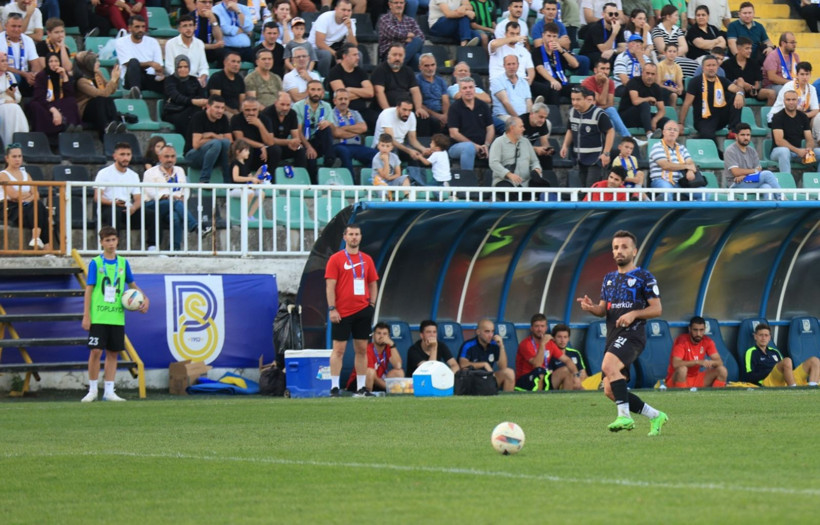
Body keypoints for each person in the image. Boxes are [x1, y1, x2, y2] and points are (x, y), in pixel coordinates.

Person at [577, 230, 668, 435]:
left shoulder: (644, 277)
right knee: (610, 390)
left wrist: (634, 314)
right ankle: (656, 416)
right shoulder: (609, 279)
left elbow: (657, 309)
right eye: (616, 247)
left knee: (608, 366)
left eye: (624, 247)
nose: (619, 251)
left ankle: (624, 417)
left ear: (634, 251)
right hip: (613, 336)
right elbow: (603, 310)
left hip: (633, 334)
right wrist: (591, 308)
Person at [81, 226, 149, 403]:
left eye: (113, 240)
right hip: (99, 315)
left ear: (118, 240)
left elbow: (132, 285)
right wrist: (86, 315)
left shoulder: (123, 263)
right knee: (95, 351)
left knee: (113, 352)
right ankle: (93, 389)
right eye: (107, 240)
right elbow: (89, 290)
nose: (111, 243)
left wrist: (144, 299)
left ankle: (109, 391)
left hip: (117, 316)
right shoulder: (96, 263)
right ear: (101, 242)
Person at [325, 223, 380, 397]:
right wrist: (332, 308)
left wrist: (371, 304)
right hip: (342, 312)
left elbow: (373, 283)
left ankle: (362, 387)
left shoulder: (367, 259)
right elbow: (330, 286)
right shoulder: (336, 259)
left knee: (362, 349)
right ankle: (334, 386)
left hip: (363, 309)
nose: (354, 237)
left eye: (357, 234)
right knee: (339, 349)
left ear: (361, 237)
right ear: (345, 237)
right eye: (351, 234)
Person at [142, 144, 210, 251]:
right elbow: (150, 192)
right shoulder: (150, 172)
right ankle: (195, 226)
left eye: (173, 156)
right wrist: (167, 196)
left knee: (175, 218)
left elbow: (185, 188)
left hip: (174, 205)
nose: (170, 159)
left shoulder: (179, 170)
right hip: (153, 205)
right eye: (167, 156)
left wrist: (183, 197)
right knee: (175, 203)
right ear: (160, 158)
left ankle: (174, 250)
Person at [94, 142, 156, 248]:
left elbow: (138, 198)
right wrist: (113, 202)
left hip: (126, 208)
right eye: (122, 154)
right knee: (114, 212)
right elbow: (97, 197)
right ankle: (113, 247)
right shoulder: (104, 173)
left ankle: (152, 247)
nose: (125, 158)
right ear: (115, 156)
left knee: (152, 215)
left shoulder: (133, 175)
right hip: (109, 206)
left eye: (128, 154)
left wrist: (133, 208)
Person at [679, 54, 743, 142]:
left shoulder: (722, 80)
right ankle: (718, 154)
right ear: (703, 68)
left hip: (720, 118)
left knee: (735, 96)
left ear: (717, 67)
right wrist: (681, 123)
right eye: (708, 65)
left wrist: (739, 94)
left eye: (713, 65)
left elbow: (736, 88)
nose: (711, 68)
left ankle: (733, 130)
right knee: (708, 137)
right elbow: (687, 103)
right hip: (703, 119)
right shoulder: (695, 82)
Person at [560, 86, 614, 188]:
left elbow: (610, 131)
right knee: (584, 188)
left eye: (578, 99)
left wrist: (606, 153)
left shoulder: (598, 114)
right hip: (580, 158)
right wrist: (565, 146)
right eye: (573, 99)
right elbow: (570, 129)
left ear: (586, 99)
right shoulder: (572, 112)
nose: (575, 102)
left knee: (591, 189)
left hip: (595, 158)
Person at [0, 143, 51, 250]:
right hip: (9, 207)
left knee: (39, 206)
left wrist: (25, 198)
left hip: (27, 206)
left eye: (19, 156)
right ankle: (46, 247)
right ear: (7, 158)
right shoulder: (3, 175)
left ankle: (36, 238)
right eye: (14, 156)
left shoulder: (26, 174)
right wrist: (28, 196)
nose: (17, 159)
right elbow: (14, 195)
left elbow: (36, 194)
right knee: (39, 209)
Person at [515, 313, 580, 391]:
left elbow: (567, 360)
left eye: (542, 326)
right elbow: (537, 365)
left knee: (566, 370)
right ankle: (538, 400)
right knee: (539, 371)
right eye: (536, 326)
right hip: (525, 379)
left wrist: (576, 376)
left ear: (546, 328)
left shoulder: (550, 344)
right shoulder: (525, 344)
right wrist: (542, 344)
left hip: (544, 376)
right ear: (531, 328)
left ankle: (565, 401)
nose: (540, 329)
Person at [741, 323, 820, 387]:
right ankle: (793, 389)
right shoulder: (751, 352)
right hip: (769, 381)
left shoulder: (775, 352)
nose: (763, 338)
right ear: (755, 337)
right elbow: (749, 376)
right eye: (761, 335)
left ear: (769, 338)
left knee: (814, 360)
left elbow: (787, 368)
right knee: (787, 361)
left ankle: (812, 388)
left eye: (766, 335)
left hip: (786, 379)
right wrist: (770, 370)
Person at [490, 117, 551, 197]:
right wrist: (509, 174)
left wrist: (537, 169)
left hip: (526, 182)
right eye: (521, 126)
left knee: (544, 185)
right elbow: (493, 163)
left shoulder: (526, 142)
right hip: (506, 181)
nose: (524, 129)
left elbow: (535, 161)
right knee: (507, 191)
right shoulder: (498, 142)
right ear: (512, 128)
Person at [581, 58, 636, 143]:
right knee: (610, 112)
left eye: (607, 69)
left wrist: (601, 105)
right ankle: (630, 139)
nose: (605, 72)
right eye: (602, 69)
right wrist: (606, 83)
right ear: (595, 70)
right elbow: (603, 102)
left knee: (611, 120)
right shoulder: (587, 82)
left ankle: (618, 145)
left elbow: (610, 103)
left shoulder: (610, 82)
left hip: (601, 112)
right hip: (589, 113)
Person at [29, 52, 82, 140]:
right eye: (51, 61)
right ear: (47, 63)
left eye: (56, 61)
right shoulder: (41, 76)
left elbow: (70, 94)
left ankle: (72, 126)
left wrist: (65, 76)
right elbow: (39, 97)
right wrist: (53, 110)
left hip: (58, 102)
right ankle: (61, 128)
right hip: (44, 103)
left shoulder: (62, 74)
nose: (54, 64)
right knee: (36, 105)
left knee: (71, 101)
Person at [665, 316, 727, 389]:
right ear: (690, 329)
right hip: (677, 379)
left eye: (701, 330)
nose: (698, 333)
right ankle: (682, 397)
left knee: (722, 370)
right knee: (682, 370)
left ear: (704, 330)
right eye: (695, 330)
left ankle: (715, 397)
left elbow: (719, 362)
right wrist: (697, 362)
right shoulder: (682, 341)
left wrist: (710, 363)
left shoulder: (707, 341)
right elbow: (676, 363)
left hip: (696, 378)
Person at [448, 76, 494, 172]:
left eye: (470, 87)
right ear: (460, 91)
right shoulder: (454, 108)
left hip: (482, 145)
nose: (468, 90)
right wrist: (474, 146)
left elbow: (490, 128)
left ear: (475, 89)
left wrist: (486, 145)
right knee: (468, 147)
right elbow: (453, 133)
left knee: (500, 146)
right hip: (458, 147)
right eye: (465, 88)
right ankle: (467, 182)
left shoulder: (483, 106)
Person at [769, 90, 820, 176]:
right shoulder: (777, 117)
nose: (791, 102)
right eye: (788, 100)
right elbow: (779, 141)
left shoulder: (803, 116)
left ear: (798, 101)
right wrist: (797, 151)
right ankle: (786, 185)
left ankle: (818, 185)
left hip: (799, 152)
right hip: (778, 152)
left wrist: (809, 149)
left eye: (793, 100)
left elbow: (809, 138)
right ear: (784, 101)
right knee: (784, 151)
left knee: (818, 152)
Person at [326, 43, 376, 131]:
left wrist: (350, 89)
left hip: (362, 110)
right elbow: (341, 96)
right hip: (344, 111)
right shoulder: (335, 72)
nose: (358, 57)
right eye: (354, 55)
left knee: (378, 119)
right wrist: (361, 93)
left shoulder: (360, 72)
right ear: (345, 56)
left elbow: (370, 93)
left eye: (357, 55)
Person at [344, 322, 405, 392]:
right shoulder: (368, 349)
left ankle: (392, 395)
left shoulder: (388, 347)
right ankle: (366, 396)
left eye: (385, 334)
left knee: (399, 372)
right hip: (358, 383)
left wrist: (392, 344)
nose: (381, 336)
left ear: (388, 337)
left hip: (377, 381)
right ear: (373, 336)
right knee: (370, 372)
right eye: (379, 333)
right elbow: (371, 374)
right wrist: (389, 387)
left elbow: (398, 366)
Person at [185, 95, 232, 183]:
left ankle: (228, 181)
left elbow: (230, 142)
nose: (220, 111)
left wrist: (212, 135)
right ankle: (204, 180)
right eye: (217, 107)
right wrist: (217, 138)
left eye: (222, 108)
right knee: (216, 144)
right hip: (192, 156)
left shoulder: (223, 119)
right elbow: (196, 144)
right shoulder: (198, 117)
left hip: (215, 156)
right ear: (208, 106)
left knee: (225, 143)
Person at [295, 80, 336, 182]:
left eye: (318, 90)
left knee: (326, 128)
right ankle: (313, 184)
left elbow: (334, 131)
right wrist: (308, 147)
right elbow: (298, 132)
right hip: (303, 141)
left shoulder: (326, 106)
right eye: (313, 89)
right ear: (307, 91)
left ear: (322, 92)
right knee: (311, 158)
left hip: (319, 141)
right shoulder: (298, 106)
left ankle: (329, 160)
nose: (316, 93)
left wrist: (329, 124)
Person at [330, 88, 377, 178]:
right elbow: (336, 133)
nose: (343, 101)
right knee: (344, 152)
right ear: (334, 101)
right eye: (340, 99)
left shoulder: (355, 113)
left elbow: (363, 128)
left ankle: (368, 180)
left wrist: (343, 128)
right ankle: (351, 183)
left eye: (346, 99)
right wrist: (355, 131)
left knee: (375, 155)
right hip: (338, 145)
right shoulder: (331, 114)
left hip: (356, 146)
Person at [458, 319, 515, 392]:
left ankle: (506, 402)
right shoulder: (468, 345)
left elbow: (503, 367)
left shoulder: (494, 344)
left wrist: (501, 346)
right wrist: (484, 364)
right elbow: (463, 364)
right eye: (487, 331)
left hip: (488, 378)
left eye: (492, 331)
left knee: (509, 373)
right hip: (473, 380)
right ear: (478, 332)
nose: (491, 335)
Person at [116, 15, 164, 99]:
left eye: (143, 27)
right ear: (130, 28)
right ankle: (136, 92)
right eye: (137, 27)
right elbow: (128, 64)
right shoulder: (121, 42)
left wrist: (159, 71)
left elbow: (158, 65)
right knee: (133, 62)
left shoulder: (153, 42)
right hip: (130, 79)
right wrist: (150, 63)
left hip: (149, 78)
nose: (141, 30)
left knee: (170, 84)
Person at [371, 44, 425, 117]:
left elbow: (415, 91)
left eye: (400, 55)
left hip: (406, 110)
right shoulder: (380, 70)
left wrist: (418, 108)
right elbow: (379, 92)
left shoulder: (408, 71)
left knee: (427, 120)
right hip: (384, 110)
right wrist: (388, 111)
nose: (397, 58)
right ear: (388, 55)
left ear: (404, 57)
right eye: (394, 55)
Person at [618, 62, 667, 144]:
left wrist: (654, 120)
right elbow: (635, 101)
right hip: (626, 116)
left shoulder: (656, 88)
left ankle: (664, 145)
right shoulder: (634, 81)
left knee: (666, 121)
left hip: (643, 118)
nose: (650, 76)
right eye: (647, 73)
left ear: (656, 75)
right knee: (644, 104)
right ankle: (649, 134)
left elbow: (662, 110)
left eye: (652, 74)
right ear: (642, 72)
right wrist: (649, 98)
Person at [373, 98, 429, 167]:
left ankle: (415, 178)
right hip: (384, 145)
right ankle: (394, 177)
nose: (407, 113)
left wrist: (423, 149)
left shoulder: (411, 116)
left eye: (409, 110)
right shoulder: (386, 114)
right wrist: (409, 151)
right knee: (393, 154)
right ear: (397, 108)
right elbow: (390, 140)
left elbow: (413, 140)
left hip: (401, 145)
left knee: (416, 156)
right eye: (404, 109)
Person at [308, 0, 358, 78]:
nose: (346, 13)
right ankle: (324, 81)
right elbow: (319, 43)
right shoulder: (325, 17)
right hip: (314, 48)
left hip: (334, 47)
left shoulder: (350, 23)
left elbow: (353, 46)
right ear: (336, 9)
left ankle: (355, 81)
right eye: (343, 10)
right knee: (326, 55)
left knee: (357, 55)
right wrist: (337, 55)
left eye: (349, 11)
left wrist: (349, 29)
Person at [648, 120, 698, 197]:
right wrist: (685, 166)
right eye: (669, 129)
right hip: (661, 180)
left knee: (704, 194)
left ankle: (691, 210)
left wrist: (690, 170)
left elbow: (690, 162)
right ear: (663, 132)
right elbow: (665, 165)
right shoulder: (657, 146)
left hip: (680, 181)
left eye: (675, 130)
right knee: (667, 192)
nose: (672, 131)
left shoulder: (682, 148)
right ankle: (662, 208)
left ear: (678, 134)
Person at [532, 22, 578, 105]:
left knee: (578, 89)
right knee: (554, 89)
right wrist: (552, 80)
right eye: (549, 36)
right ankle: (555, 116)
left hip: (561, 82)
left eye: (554, 36)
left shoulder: (560, 50)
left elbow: (575, 64)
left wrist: (562, 50)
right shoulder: (537, 51)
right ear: (543, 36)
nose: (551, 39)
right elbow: (540, 68)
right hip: (545, 82)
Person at [163, 55, 209, 136]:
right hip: (175, 111)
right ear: (176, 68)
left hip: (191, 110)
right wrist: (193, 101)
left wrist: (200, 102)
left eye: (186, 67)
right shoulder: (170, 80)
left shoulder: (194, 80)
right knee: (188, 116)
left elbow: (202, 96)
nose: (183, 69)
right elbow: (176, 97)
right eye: (180, 67)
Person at [263, 91, 308, 173]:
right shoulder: (267, 113)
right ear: (276, 103)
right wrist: (289, 142)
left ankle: (300, 178)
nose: (285, 108)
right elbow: (270, 141)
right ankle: (271, 179)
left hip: (284, 145)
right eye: (282, 104)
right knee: (275, 150)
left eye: (288, 105)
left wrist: (295, 143)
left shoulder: (292, 114)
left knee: (300, 150)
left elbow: (296, 136)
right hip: (267, 146)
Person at [0, 12, 43, 97]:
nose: (16, 29)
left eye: (19, 26)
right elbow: (2, 65)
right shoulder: (0, 39)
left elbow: (35, 63)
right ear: (6, 26)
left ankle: (34, 106)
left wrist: (34, 75)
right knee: (15, 77)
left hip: (25, 74)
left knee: (39, 78)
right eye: (13, 26)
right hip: (6, 73)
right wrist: (24, 74)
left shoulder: (28, 40)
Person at [724, 37, 776, 106]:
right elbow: (727, 83)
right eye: (747, 48)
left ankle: (767, 116)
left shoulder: (754, 63)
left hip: (752, 90)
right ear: (739, 49)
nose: (750, 51)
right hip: (736, 91)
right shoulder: (727, 64)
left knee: (771, 93)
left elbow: (758, 83)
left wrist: (752, 88)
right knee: (740, 81)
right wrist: (743, 85)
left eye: (750, 48)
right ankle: (741, 114)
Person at [164, 14, 209, 88]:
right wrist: (182, 77)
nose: (188, 29)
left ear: (195, 27)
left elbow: (203, 66)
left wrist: (203, 77)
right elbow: (169, 67)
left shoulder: (199, 43)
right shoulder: (171, 43)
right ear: (179, 29)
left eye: (191, 25)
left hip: (195, 79)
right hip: (177, 79)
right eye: (185, 26)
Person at [651, 5, 697, 77]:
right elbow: (662, 49)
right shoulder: (657, 30)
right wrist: (674, 52)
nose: (678, 18)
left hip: (676, 58)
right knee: (677, 62)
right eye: (676, 16)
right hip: (663, 60)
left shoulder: (677, 30)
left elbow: (685, 48)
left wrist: (671, 53)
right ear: (668, 17)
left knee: (695, 64)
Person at [231, 96, 275, 173]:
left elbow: (270, 142)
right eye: (247, 110)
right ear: (242, 109)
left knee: (275, 150)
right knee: (245, 148)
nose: (251, 113)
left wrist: (260, 125)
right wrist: (260, 145)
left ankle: (270, 178)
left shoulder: (265, 119)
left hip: (261, 154)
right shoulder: (236, 119)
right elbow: (240, 139)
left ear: (258, 109)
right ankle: (245, 178)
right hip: (246, 152)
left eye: (254, 110)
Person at [766, 62, 818, 127]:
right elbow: (787, 109)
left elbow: (815, 110)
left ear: (810, 75)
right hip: (779, 116)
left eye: (807, 74)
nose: (805, 77)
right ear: (797, 75)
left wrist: (804, 116)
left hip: (799, 117)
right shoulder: (789, 86)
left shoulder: (812, 89)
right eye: (802, 74)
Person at [377, 0, 424, 67]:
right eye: (396, 3)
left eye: (401, 3)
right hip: (390, 55)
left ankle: (397, 67)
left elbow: (421, 37)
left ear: (404, 4)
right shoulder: (384, 19)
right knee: (416, 56)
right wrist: (407, 37)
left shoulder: (410, 20)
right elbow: (393, 33)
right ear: (390, 4)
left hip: (409, 54)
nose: (399, 5)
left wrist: (401, 39)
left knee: (417, 43)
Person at [578, 3, 625, 67]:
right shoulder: (596, 27)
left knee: (622, 58)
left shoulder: (618, 26)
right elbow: (604, 49)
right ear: (603, 14)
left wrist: (613, 51)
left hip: (607, 53)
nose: (613, 16)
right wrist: (614, 33)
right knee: (606, 58)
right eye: (610, 14)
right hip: (590, 54)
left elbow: (623, 47)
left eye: (616, 14)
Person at [491, 55, 532, 129]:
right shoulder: (497, 81)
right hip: (504, 116)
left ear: (518, 65)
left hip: (523, 117)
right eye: (509, 64)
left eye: (513, 64)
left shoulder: (524, 82)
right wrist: (519, 120)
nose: (511, 67)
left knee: (546, 124)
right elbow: (505, 102)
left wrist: (527, 118)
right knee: (515, 125)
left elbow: (529, 103)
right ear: (504, 66)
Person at [228, 139, 264, 220]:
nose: (248, 152)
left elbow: (251, 178)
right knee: (250, 193)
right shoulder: (235, 163)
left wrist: (258, 176)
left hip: (245, 188)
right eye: (246, 150)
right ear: (238, 152)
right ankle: (243, 216)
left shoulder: (246, 165)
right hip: (234, 189)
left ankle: (250, 215)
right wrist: (251, 178)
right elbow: (235, 178)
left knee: (261, 194)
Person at [416, 53, 449, 137]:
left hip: (441, 113)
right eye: (426, 66)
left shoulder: (440, 81)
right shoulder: (417, 80)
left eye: (432, 65)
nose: (430, 68)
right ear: (420, 67)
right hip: (427, 113)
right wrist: (438, 116)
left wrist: (445, 116)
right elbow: (418, 103)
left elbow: (445, 100)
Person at [0, 51, 30, 145]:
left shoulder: (10, 76)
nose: (5, 63)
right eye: (2, 61)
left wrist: (12, 95)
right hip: (2, 105)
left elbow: (18, 97)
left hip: (12, 105)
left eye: (6, 61)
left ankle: (20, 143)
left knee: (15, 108)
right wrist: (4, 100)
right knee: (12, 108)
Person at [208, 51, 246, 118]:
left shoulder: (240, 79)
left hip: (236, 112)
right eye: (233, 61)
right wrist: (233, 112)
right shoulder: (216, 78)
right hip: (221, 110)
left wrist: (241, 113)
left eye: (238, 62)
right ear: (225, 62)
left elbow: (242, 101)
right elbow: (217, 101)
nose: (236, 64)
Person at [520, 103, 555, 174]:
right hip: (515, 151)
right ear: (532, 114)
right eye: (541, 117)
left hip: (529, 150)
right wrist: (536, 149)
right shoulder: (520, 122)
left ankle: (546, 180)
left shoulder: (542, 123)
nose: (543, 120)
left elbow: (544, 142)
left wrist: (547, 150)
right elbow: (518, 146)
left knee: (546, 157)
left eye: (545, 118)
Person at [191, 0, 226, 64]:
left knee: (224, 53)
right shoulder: (190, 17)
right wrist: (213, 46)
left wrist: (213, 20)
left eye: (210, 2)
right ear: (196, 4)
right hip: (194, 49)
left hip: (209, 50)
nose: (207, 5)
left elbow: (219, 40)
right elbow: (191, 43)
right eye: (204, 2)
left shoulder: (214, 16)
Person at [656, 43, 683, 110]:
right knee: (673, 95)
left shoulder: (678, 67)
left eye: (674, 52)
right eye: (670, 51)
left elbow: (680, 84)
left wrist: (679, 89)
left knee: (688, 94)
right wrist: (670, 89)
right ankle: (671, 115)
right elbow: (658, 84)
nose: (672, 53)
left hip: (673, 88)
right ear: (665, 53)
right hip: (662, 88)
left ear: (677, 54)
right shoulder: (659, 66)